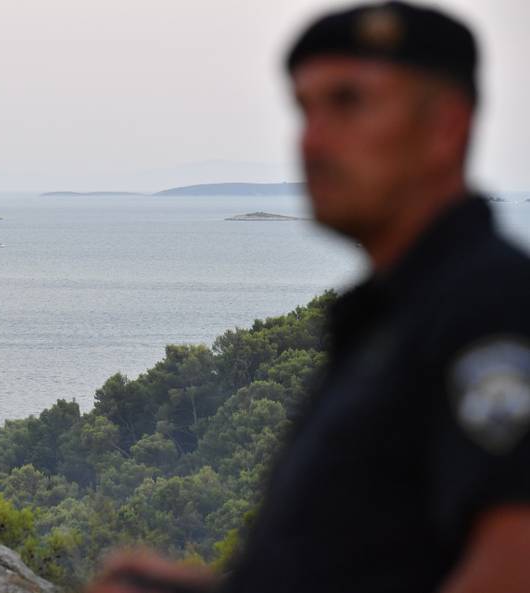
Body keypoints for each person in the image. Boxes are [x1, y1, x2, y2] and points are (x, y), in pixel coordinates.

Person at [87, 2, 530, 592]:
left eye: (349, 103)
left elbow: (514, 562)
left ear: (446, 126)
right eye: (304, 109)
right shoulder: (392, 316)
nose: (313, 142)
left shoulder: (489, 304)